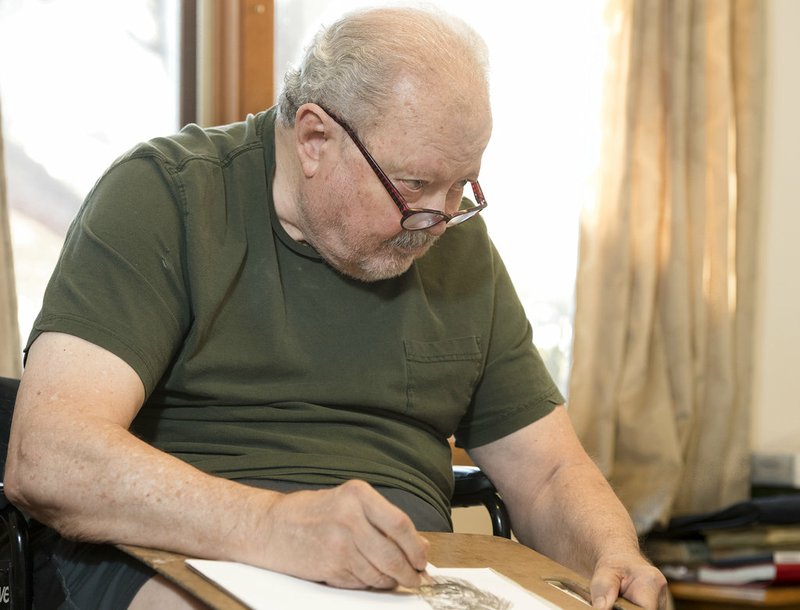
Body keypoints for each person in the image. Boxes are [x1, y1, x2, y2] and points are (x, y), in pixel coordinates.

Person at [5, 5, 667, 610]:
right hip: (178, 551)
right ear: (316, 139)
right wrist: (270, 527)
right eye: (414, 184)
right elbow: (51, 459)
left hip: (406, 577)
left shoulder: (456, 248)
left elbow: (549, 473)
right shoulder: (166, 199)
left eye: (461, 185)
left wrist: (614, 555)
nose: (438, 218)